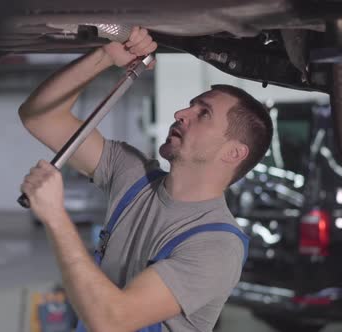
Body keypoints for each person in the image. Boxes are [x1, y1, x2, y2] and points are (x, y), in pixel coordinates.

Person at [18, 26, 273, 332]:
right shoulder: (132, 174)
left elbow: (113, 320)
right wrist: (104, 57)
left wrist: (56, 218)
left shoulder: (217, 246)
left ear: (233, 153)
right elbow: (40, 117)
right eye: (190, 105)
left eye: (203, 114)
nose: (181, 113)